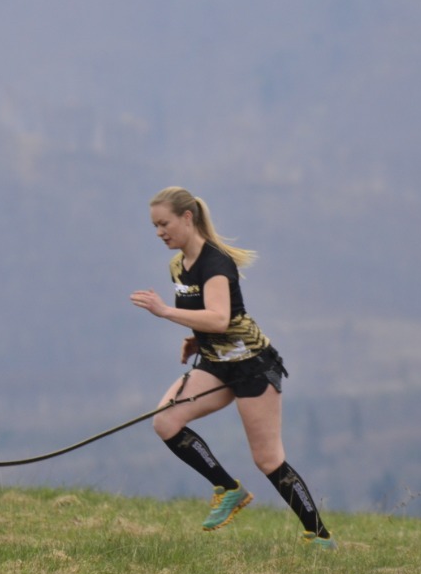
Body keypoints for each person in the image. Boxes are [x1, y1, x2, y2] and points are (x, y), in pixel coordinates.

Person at [130, 186, 336, 549]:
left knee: (268, 459)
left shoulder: (216, 263)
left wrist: (164, 311)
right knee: (165, 421)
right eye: (155, 226)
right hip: (216, 363)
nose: (160, 232)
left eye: (164, 224)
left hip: (252, 366)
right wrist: (195, 339)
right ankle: (228, 489)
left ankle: (318, 536)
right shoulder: (178, 265)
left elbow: (221, 318)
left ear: (187, 218)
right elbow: (204, 315)